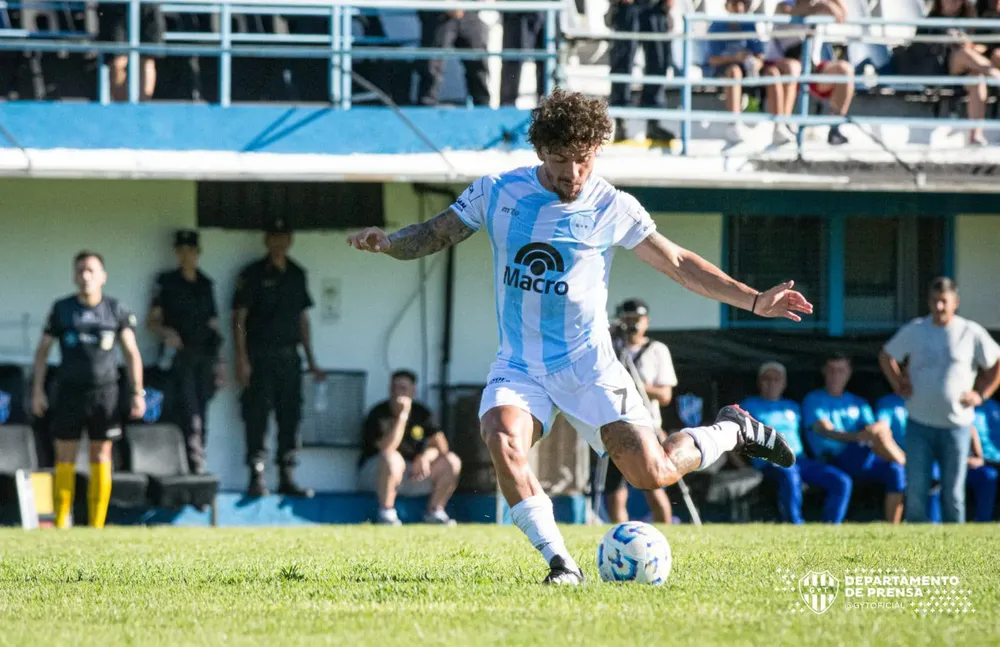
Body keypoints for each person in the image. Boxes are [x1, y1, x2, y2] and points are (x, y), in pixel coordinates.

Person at [346, 89, 812, 584]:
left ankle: (733, 429)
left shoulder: (613, 205)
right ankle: (561, 564)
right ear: (540, 152)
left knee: (651, 473)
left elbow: (678, 263)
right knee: (502, 438)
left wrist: (756, 300)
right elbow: (435, 233)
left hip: (590, 366)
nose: (573, 174)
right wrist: (390, 243)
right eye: (561, 160)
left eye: (584, 161)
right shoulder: (498, 192)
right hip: (521, 366)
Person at [30, 251, 146, 529]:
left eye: (91, 270)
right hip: (68, 392)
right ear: (74, 275)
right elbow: (43, 352)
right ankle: (60, 523)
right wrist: (37, 390)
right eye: (80, 270)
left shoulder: (115, 309)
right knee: (64, 455)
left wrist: (137, 392)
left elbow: (131, 353)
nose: (85, 276)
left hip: (104, 394)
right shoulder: (62, 309)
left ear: (103, 277)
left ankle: (96, 525)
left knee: (101, 454)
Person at [880, 277, 1000, 523]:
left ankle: (953, 546)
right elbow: (886, 355)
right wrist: (898, 382)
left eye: (944, 302)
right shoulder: (915, 330)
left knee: (953, 492)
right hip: (918, 423)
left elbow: (996, 363)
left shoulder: (970, 332)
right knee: (915, 488)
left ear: (955, 302)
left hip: (957, 425)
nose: (939, 307)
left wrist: (981, 394)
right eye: (934, 301)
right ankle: (914, 545)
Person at [233, 218, 324, 498]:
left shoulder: (297, 274)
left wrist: (311, 360)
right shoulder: (252, 274)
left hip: (289, 358)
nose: (278, 243)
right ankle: (256, 477)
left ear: (290, 240)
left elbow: (303, 320)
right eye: (273, 237)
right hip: (259, 356)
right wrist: (241, 359)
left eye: (283, 237)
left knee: (291, 416)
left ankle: (287, 475)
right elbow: (239, 318)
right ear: (266, 240)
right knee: (257, 415)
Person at [146, 230, 224, 474]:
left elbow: (214, 327)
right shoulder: (167, 282)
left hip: (204, 357)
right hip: (178, 357)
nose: (185, 255)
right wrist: (166, 333)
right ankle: (193, 465)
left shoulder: (206, 285)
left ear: (197, 253)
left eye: (190, 250)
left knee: (200, 413)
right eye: (181, 251)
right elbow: (152, 322)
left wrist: (220, 363)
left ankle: (198, 464)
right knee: (186, 413)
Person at [741, 361, 852, 524]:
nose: (772, 383)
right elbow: (734, 439)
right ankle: (795, 524)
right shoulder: (747, 406)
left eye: (776, 379)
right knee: (790, 474)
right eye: (767, 379)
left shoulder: (793, 407)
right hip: (770, 460)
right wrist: (743, 466)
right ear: (759, 382)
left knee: (841, 480)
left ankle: (832, 526)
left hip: (799, 459)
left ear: (784, 383)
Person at [804, 353, 906, 524]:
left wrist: (871, 432)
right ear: (824, 372)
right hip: (833, 458)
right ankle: (909, 465)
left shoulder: (858, 402)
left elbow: (873, 428)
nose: (836, 375)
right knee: (874, 438)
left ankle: (893, 527)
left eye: (841, 371)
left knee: (895, 470)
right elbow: (827, 432)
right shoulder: (814, 399)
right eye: (831, 371)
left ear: (849, 372)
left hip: (863, 457)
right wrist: (859, 436)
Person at [604, 299, 677, 524]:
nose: (633, 326)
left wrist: (636, 385)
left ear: (647, 321)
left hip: (646, 423)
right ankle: (620, 531)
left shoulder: (656, 350)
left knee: (651, 480)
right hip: (614, 421)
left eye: (637, 320)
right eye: (628, 320)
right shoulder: (612, 347)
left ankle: (666, 530)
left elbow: (665, 395)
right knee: (614, 487)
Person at [358, 370, 462, 525]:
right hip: (377, 474)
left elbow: (442, 447)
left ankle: (435, 512)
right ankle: (387, 513)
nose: (397, 393)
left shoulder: (423, 413)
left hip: (414, 473)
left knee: (452, 461)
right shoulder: (378, 413)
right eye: (394, 388)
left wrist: (425, 457)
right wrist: (402, 415)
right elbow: (387, 448)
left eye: (403, 388)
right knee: (392, 458)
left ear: (414, 390)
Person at [762, 0, 855, 146]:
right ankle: (782, 126)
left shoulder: (819, 5)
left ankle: (835, 128)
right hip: (780, 63)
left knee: (844, 70)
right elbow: (792, 12)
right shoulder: (784, 5)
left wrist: (827, 4)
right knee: (793, 67)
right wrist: (819, 6)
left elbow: (841, 14)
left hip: (809, 65)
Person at [607, 0, 677, 146]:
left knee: (658, 63)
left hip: (656, 7)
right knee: (622, 63)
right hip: (627, 7)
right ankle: (621, 123)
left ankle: (653, 122)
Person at [875, 393, 942, 523]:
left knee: (934, 472)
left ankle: (934, 523)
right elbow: (881, 429)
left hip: (923, 455)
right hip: (895, 456)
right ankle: (894, 524)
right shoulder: (887, 403)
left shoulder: (926, 402)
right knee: (897, 472)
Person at [706, 0, 766, 143]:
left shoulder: (750, 26)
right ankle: (734, 121)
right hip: (724, 70)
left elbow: (760, 55)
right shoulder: (716, 26)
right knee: (734, 71)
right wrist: (735, 58)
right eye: (734, 3)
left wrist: (756, 62)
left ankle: (781, 123)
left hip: (746, 71)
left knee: (770, 74)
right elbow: (712, 59)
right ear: (728, 6)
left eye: (742, 4)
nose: (739, 8)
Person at [417, 9, 489, 106]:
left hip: (469, 10)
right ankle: (426, 110)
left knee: (478, 62)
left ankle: (483, 109)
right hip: (438, 12)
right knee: (432, 65)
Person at [500, 10, 547, 107]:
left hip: (547, 9)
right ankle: (507, 108)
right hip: (517, 10)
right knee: (513, 61)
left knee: (547, 64)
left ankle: (548, 107)